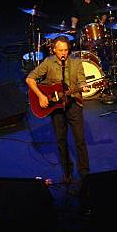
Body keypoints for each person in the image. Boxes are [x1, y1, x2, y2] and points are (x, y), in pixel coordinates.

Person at [26, 36, 90, 186]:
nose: (63, 53)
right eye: (60, 50)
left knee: (80, 140)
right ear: (54, 50)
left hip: (73, 105)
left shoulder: (76, 63)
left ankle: (85, 173)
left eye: (66, 50)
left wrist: (84, 87)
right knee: (61, 141)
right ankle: (67, 173)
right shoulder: (48, 62)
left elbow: (82, 81)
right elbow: (30, 79)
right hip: (56, 108)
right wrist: (41, 96)